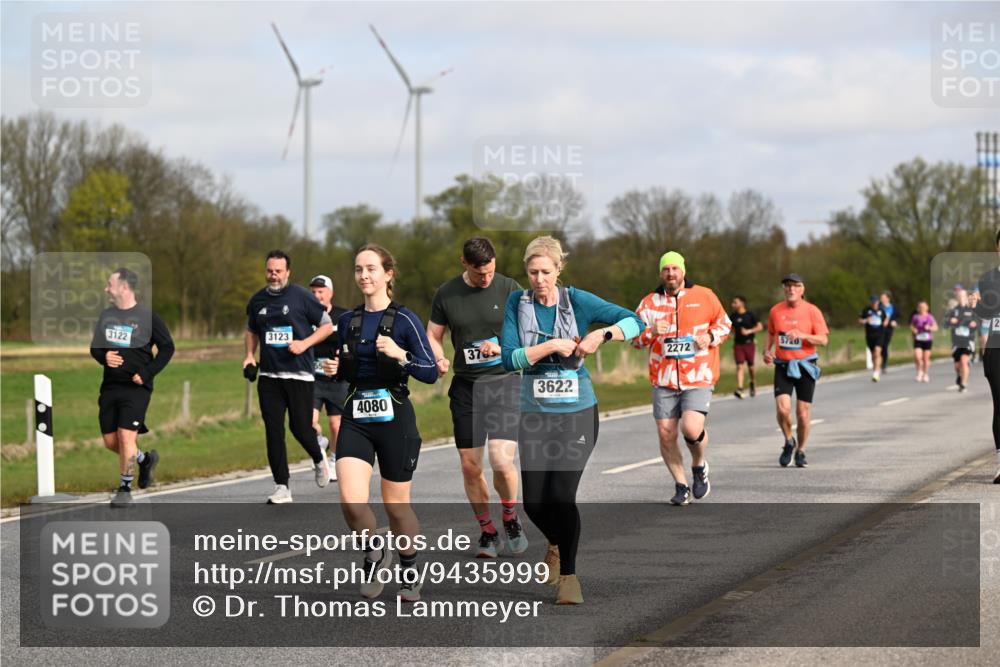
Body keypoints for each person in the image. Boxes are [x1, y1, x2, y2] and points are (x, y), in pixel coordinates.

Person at [501, 236, 642, 605]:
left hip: (577, 413)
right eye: (532, 272)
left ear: (558, 269)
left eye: (546, 272)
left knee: (562, 496)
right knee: (533, 503)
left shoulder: (577, 300)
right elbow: (508, 357)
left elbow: (636, 321)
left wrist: (602, 334)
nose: (539, 279)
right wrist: (550, 346)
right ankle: (554, 542)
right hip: (534, 414)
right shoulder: (518, 303)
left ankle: (569, 577)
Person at [326, 244, 438, 602]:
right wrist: (335, 369)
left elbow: (431, 372)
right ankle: (375, 552)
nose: (364, 276)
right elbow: (346, 367)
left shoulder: (405, 320)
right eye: (359, 269)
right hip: (356, 415)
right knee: (351, 502)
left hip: (395, 417)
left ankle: (409, 567)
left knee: (396, 507)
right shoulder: (346, 322)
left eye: (372, 269)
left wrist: (401, 355)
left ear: (388, 274)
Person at [427, 237, 527, 558]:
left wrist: (502, 346)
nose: (486, 278)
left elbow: (529, 331)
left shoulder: (510, 287)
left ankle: (510, 516)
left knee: (501, 460)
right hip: (467, 388)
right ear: (464, 264)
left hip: (504, 382)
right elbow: (433, 334)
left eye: (490, 271)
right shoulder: (447, 293)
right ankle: (487, 530)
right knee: (471, 466)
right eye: (479, 272)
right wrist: (439, 357)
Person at [634, 252, 731, 506]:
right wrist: (650, 331)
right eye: (666, 269)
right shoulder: (649, 303)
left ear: (683, 271)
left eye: (675, 268)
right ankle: (681, 484)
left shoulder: (705, 295)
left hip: (698, 375)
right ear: (660, 273)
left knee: (691, 428)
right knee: (666, 435)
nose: (671, 273)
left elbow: (724, 324)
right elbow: (633, 338)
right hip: (663, 379)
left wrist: (709, 338)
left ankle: (698, 465)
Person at [244, 250, 334, 504]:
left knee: (300, 428)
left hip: (299, 375)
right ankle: (282, 486)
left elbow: (326, 325)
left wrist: (305, 343)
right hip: (269, 376)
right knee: (273, 431)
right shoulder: (257, 300)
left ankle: (318, 456)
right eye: (270, 271)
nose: (273, 275)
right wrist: (250, 355)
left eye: (278, 271)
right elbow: (251, 330)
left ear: (288, 272)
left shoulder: (301, 297)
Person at [90, 268, 175, 507]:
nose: (107, 288)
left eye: (110, 284)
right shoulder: (106, 316)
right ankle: (145, 459)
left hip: (136, 388)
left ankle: (124, 489)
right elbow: (95, 348)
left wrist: (147, 373)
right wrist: (104, 356)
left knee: (126, 436)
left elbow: (168, 348)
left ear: (124, 287)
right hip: (110, 387)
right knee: (110, 442)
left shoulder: (148, 318)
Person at [763, 273, 829, 468]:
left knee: (802, 413)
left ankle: (801, 450)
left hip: (806, 366)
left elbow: (824, 340)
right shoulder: (775, 311)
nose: (791, 289)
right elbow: (771, 332)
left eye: (796, 285)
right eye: (788, 285)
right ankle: (788, 441)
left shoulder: (812, 311)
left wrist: (803, 335)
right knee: (783, 409)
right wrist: (767, 351)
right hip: (783, 365)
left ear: (802, 289)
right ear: (784, 289)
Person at [308, 274, 350, 481]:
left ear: (330, 293)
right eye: (313, 292)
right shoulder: (305, 316)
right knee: (308, 422)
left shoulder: (343, 316)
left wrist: (342, 362)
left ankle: (334, 458)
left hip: (336, 379)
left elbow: (354, 347)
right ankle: (319, 443)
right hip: (312, 379)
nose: (317, 296)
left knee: (336, 425)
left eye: (320, 292)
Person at [972, 229, 1000, 483]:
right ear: (997, 247)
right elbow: (985, 313)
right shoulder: (988, 279)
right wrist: (975, 305)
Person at [729, 295, 762, 398]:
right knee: (739, 366)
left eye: (735, 302)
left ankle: (752, 381)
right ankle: (740, 388)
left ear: (742, 303)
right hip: (738, 344)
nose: (733, 304)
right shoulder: (732, 316)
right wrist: (729, 334)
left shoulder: (750, 314)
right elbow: (731, 329)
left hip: (749, 343)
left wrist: (749, 331)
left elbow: (760, 326)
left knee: (751, 367)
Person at [946, 289, 978, 392]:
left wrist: (974, 324)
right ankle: (960, 375)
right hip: (956, 342)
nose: (961, 298)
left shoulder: (971, 310)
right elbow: (946, 324)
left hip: (968, 341)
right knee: (957, 365)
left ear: (966, 297)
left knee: (964, 361)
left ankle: (963, 384)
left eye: (963, 296)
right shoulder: (953, 310)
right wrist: (951, 321)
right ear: (957, 298)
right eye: (959, 296)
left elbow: (977, 323)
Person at [858, 294, 887, 382]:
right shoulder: (866, 310)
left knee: (877, 352)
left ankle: (876, 372)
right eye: (873, 302)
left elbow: (885, 319)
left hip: (880, 335)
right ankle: (875, 369)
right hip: (870, 335)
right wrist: (866, 320)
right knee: (873, 354)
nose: (874, 303)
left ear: (878, 302)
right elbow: (860, 320)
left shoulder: (881, 311)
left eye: (876, 301)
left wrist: (885, 323)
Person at [910, 301, 937, 383]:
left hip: (927, 339)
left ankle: (925, 374)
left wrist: (929, 328)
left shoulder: (930, 317)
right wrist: (913, 330)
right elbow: (912, 325)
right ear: (918, 308)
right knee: (918, 357)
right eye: (920, 307)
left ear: (927, 308)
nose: (922, 309)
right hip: (918, 339)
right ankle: (919, 372)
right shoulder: (915, 317)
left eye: (924, 307)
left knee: (925, 359)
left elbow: (935, 327)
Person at [879, 291, 899, 371]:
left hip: (889, 329)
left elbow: (897, 316)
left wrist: (895, 322)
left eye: (883, 298)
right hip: (879, 329)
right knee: (879, 345)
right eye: (881, 298)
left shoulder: (893, 307)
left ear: (888, 298)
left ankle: (884, 364)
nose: (881, 299)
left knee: (885, 345)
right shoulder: (879, 307)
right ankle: (878, 362)